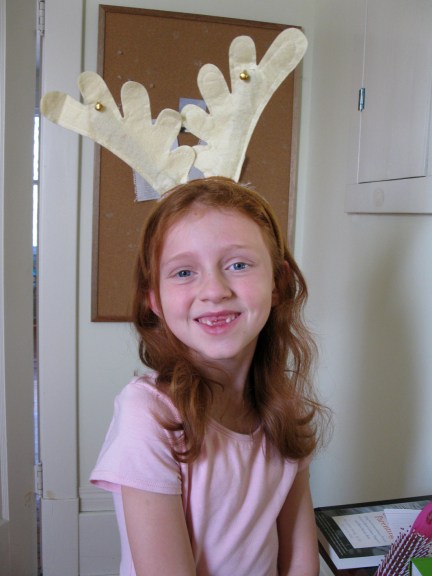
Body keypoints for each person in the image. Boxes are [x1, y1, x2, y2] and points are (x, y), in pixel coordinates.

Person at [90, 176, 329, 576]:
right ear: (154, 298)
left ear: (278, 282)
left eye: (238, 265)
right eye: (184, 272)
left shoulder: (283, 403)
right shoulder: (148, 414)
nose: (214, 290)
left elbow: (301, 558)